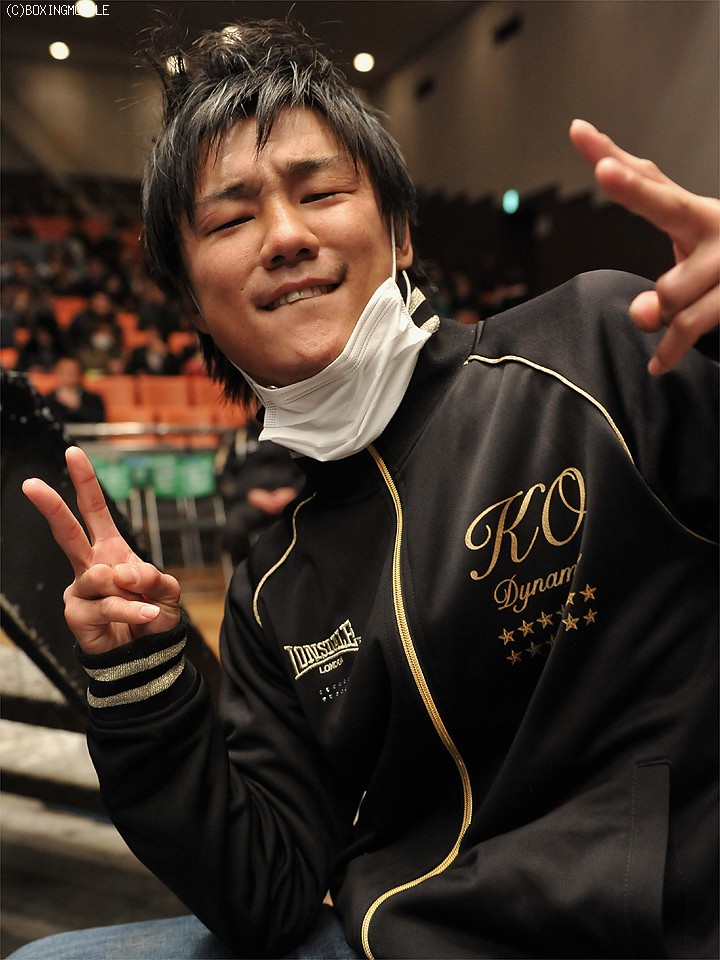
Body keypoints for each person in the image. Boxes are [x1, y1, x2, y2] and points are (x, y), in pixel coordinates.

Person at [15, 19, 718, 960]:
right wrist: (139, 683)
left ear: (400, 230)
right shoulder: (273, 590)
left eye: (321, 193)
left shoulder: (601, 348)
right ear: (192, 304)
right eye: (230, 221)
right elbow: (264, 892)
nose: (286, 236)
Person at [218, 417, 305, 566]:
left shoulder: (293, 433)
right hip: (249, 503)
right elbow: (223, 478)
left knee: (310, 523)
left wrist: (294, 491)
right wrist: (249, 494)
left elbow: (309, 471)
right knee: (233, 529)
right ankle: (244, 572)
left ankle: (296, 573)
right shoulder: (238, 437)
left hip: (290, 501)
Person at [45, 355, 105, 424]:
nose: (67, 376)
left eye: (71, 372)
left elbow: (99, 422)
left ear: (79, 374)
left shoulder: (93, 399)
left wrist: (76, 407)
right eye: (63, 371)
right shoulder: (47, 399)